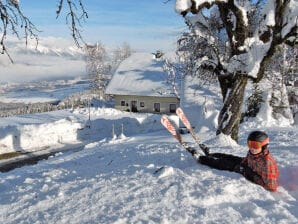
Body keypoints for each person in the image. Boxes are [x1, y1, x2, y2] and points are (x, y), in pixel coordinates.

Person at [198, 131, 279, 192]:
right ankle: (212, 154)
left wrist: (250, 174)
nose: (252, 148)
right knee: (230, 158)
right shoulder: (254, 152)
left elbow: (271, 187)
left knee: (226, 165)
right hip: (248, 166)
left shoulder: (267, 163)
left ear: (263, 146)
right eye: (250, 144)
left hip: (250, 172)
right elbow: (247, 160)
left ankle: (204, 160)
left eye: (255, 145)